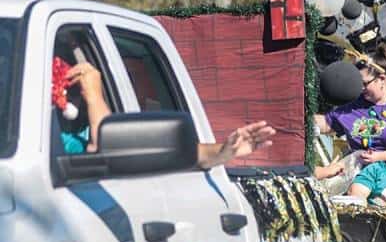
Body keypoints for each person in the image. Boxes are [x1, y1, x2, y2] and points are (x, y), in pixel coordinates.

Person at [57, 61, 276, 168]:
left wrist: (224, 151)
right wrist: (93, 95)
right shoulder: (54, 140)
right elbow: (104, 148)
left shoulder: (85, 133)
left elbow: (180, 151)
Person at [314, 45, 386, 166]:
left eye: (365, 83)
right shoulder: (353, 105)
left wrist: (381, 156)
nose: (360, 88)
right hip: (359, 174)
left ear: (382, 79)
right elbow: (327, 123)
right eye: (358, 83)